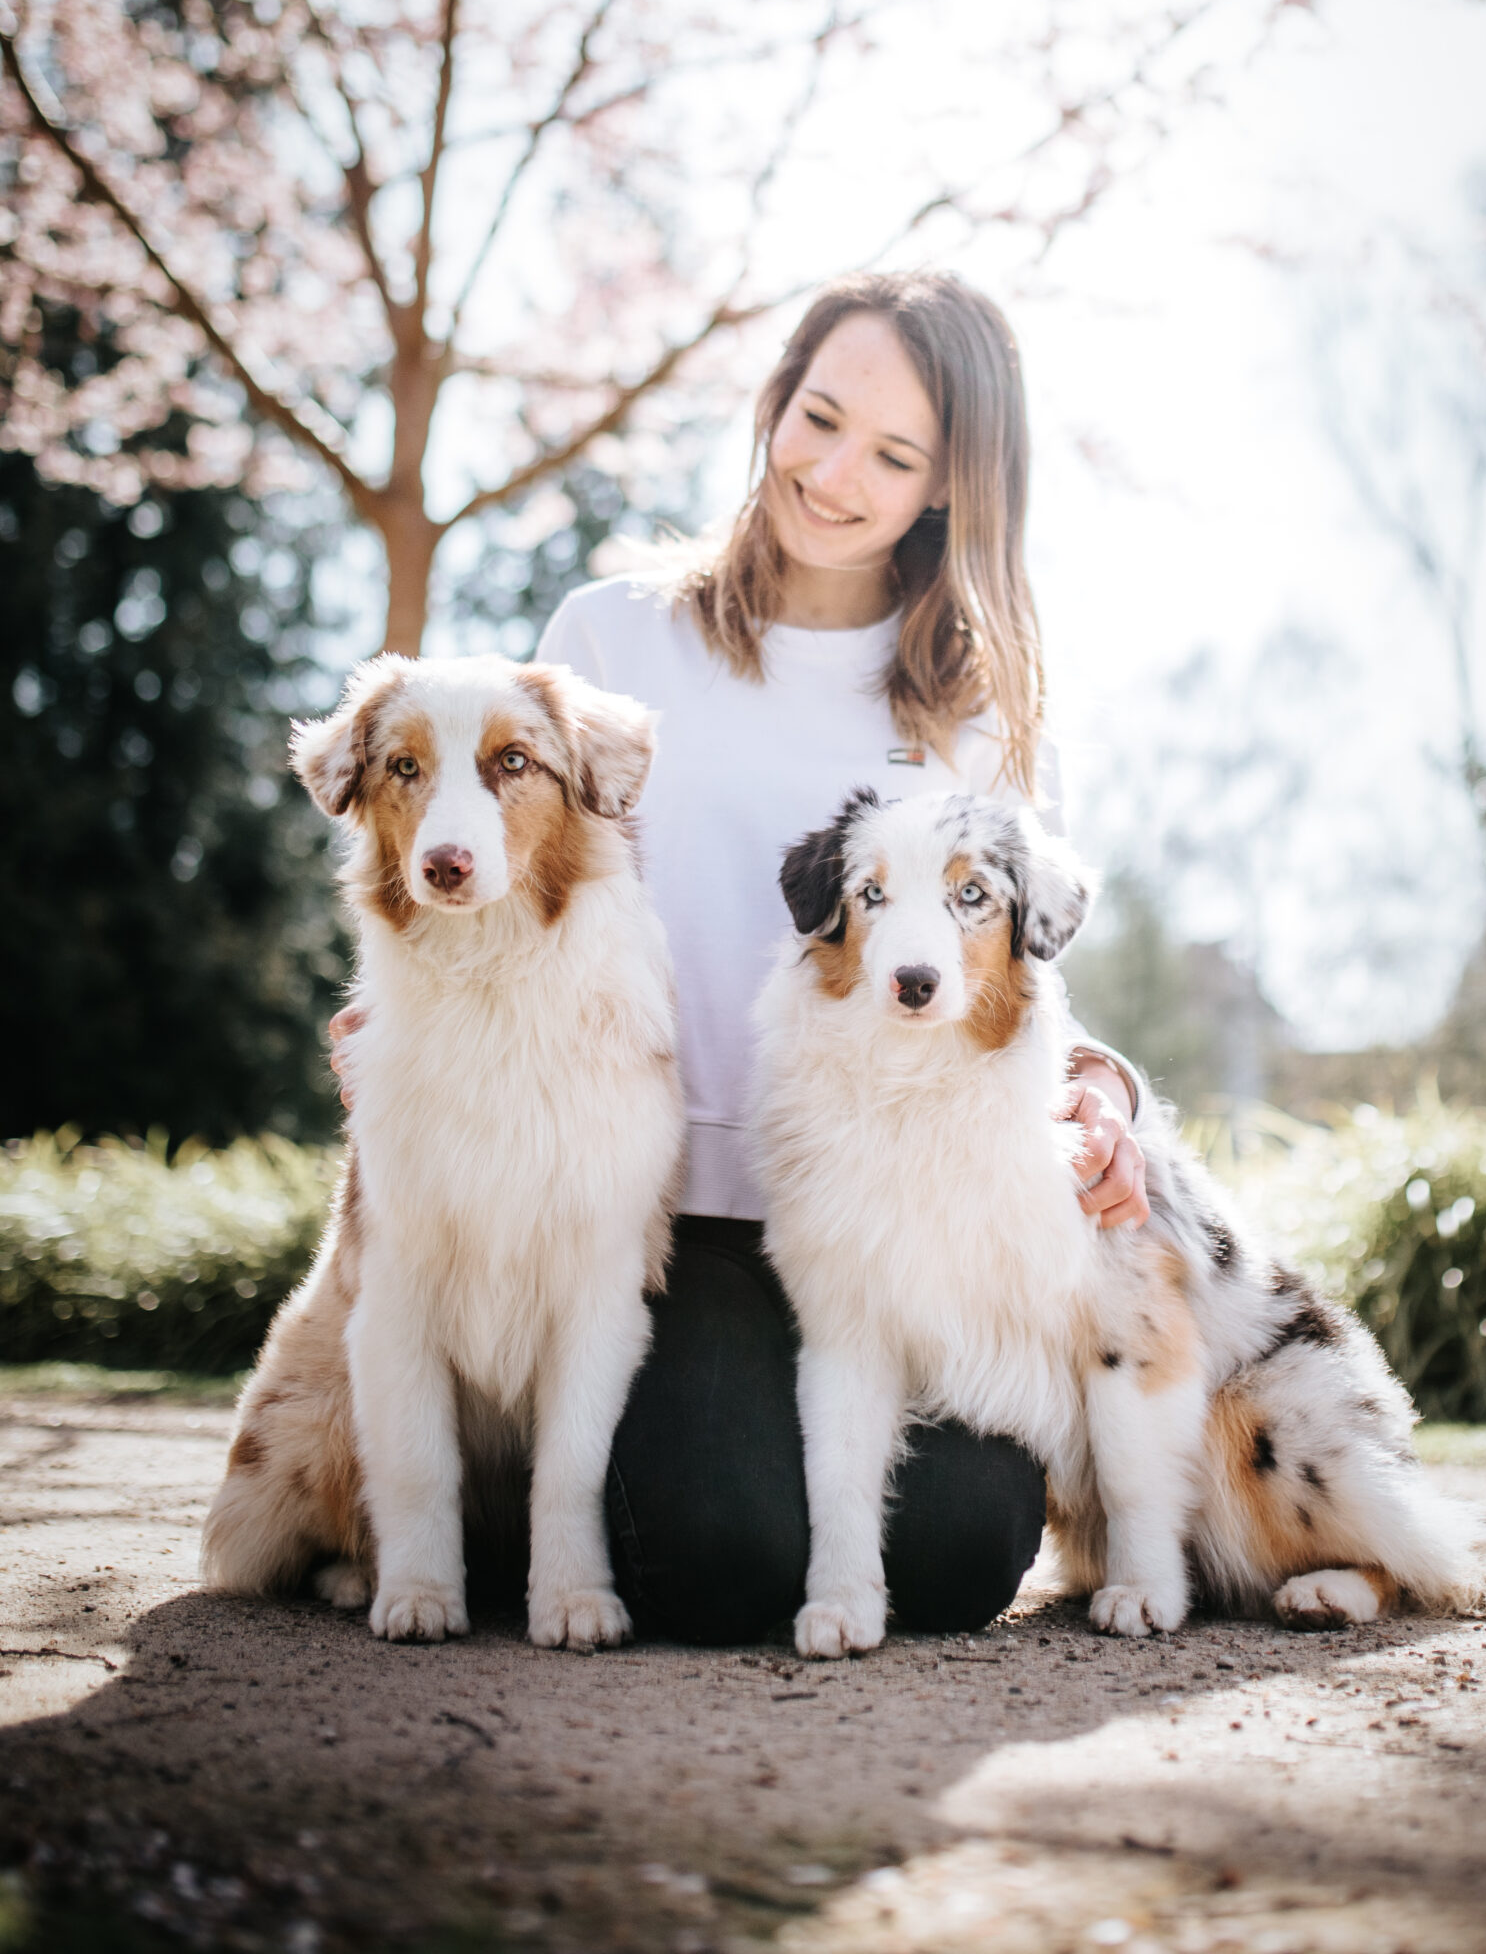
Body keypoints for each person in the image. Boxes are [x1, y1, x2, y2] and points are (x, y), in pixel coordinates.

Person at [335, 271, 1147, 1644]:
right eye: (815, 417)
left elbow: (1018, 962)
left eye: (890, 457)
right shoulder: (610, 637)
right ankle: (516, 1500)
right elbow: (513, 885)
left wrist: (1104, 1088)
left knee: (950, 1559)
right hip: (670, 1207)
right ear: (772, 401)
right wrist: (392, 1029)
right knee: (717, 1557)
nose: (831, 475)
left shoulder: (984, 705)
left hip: (900, 1208)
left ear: (948, 485)